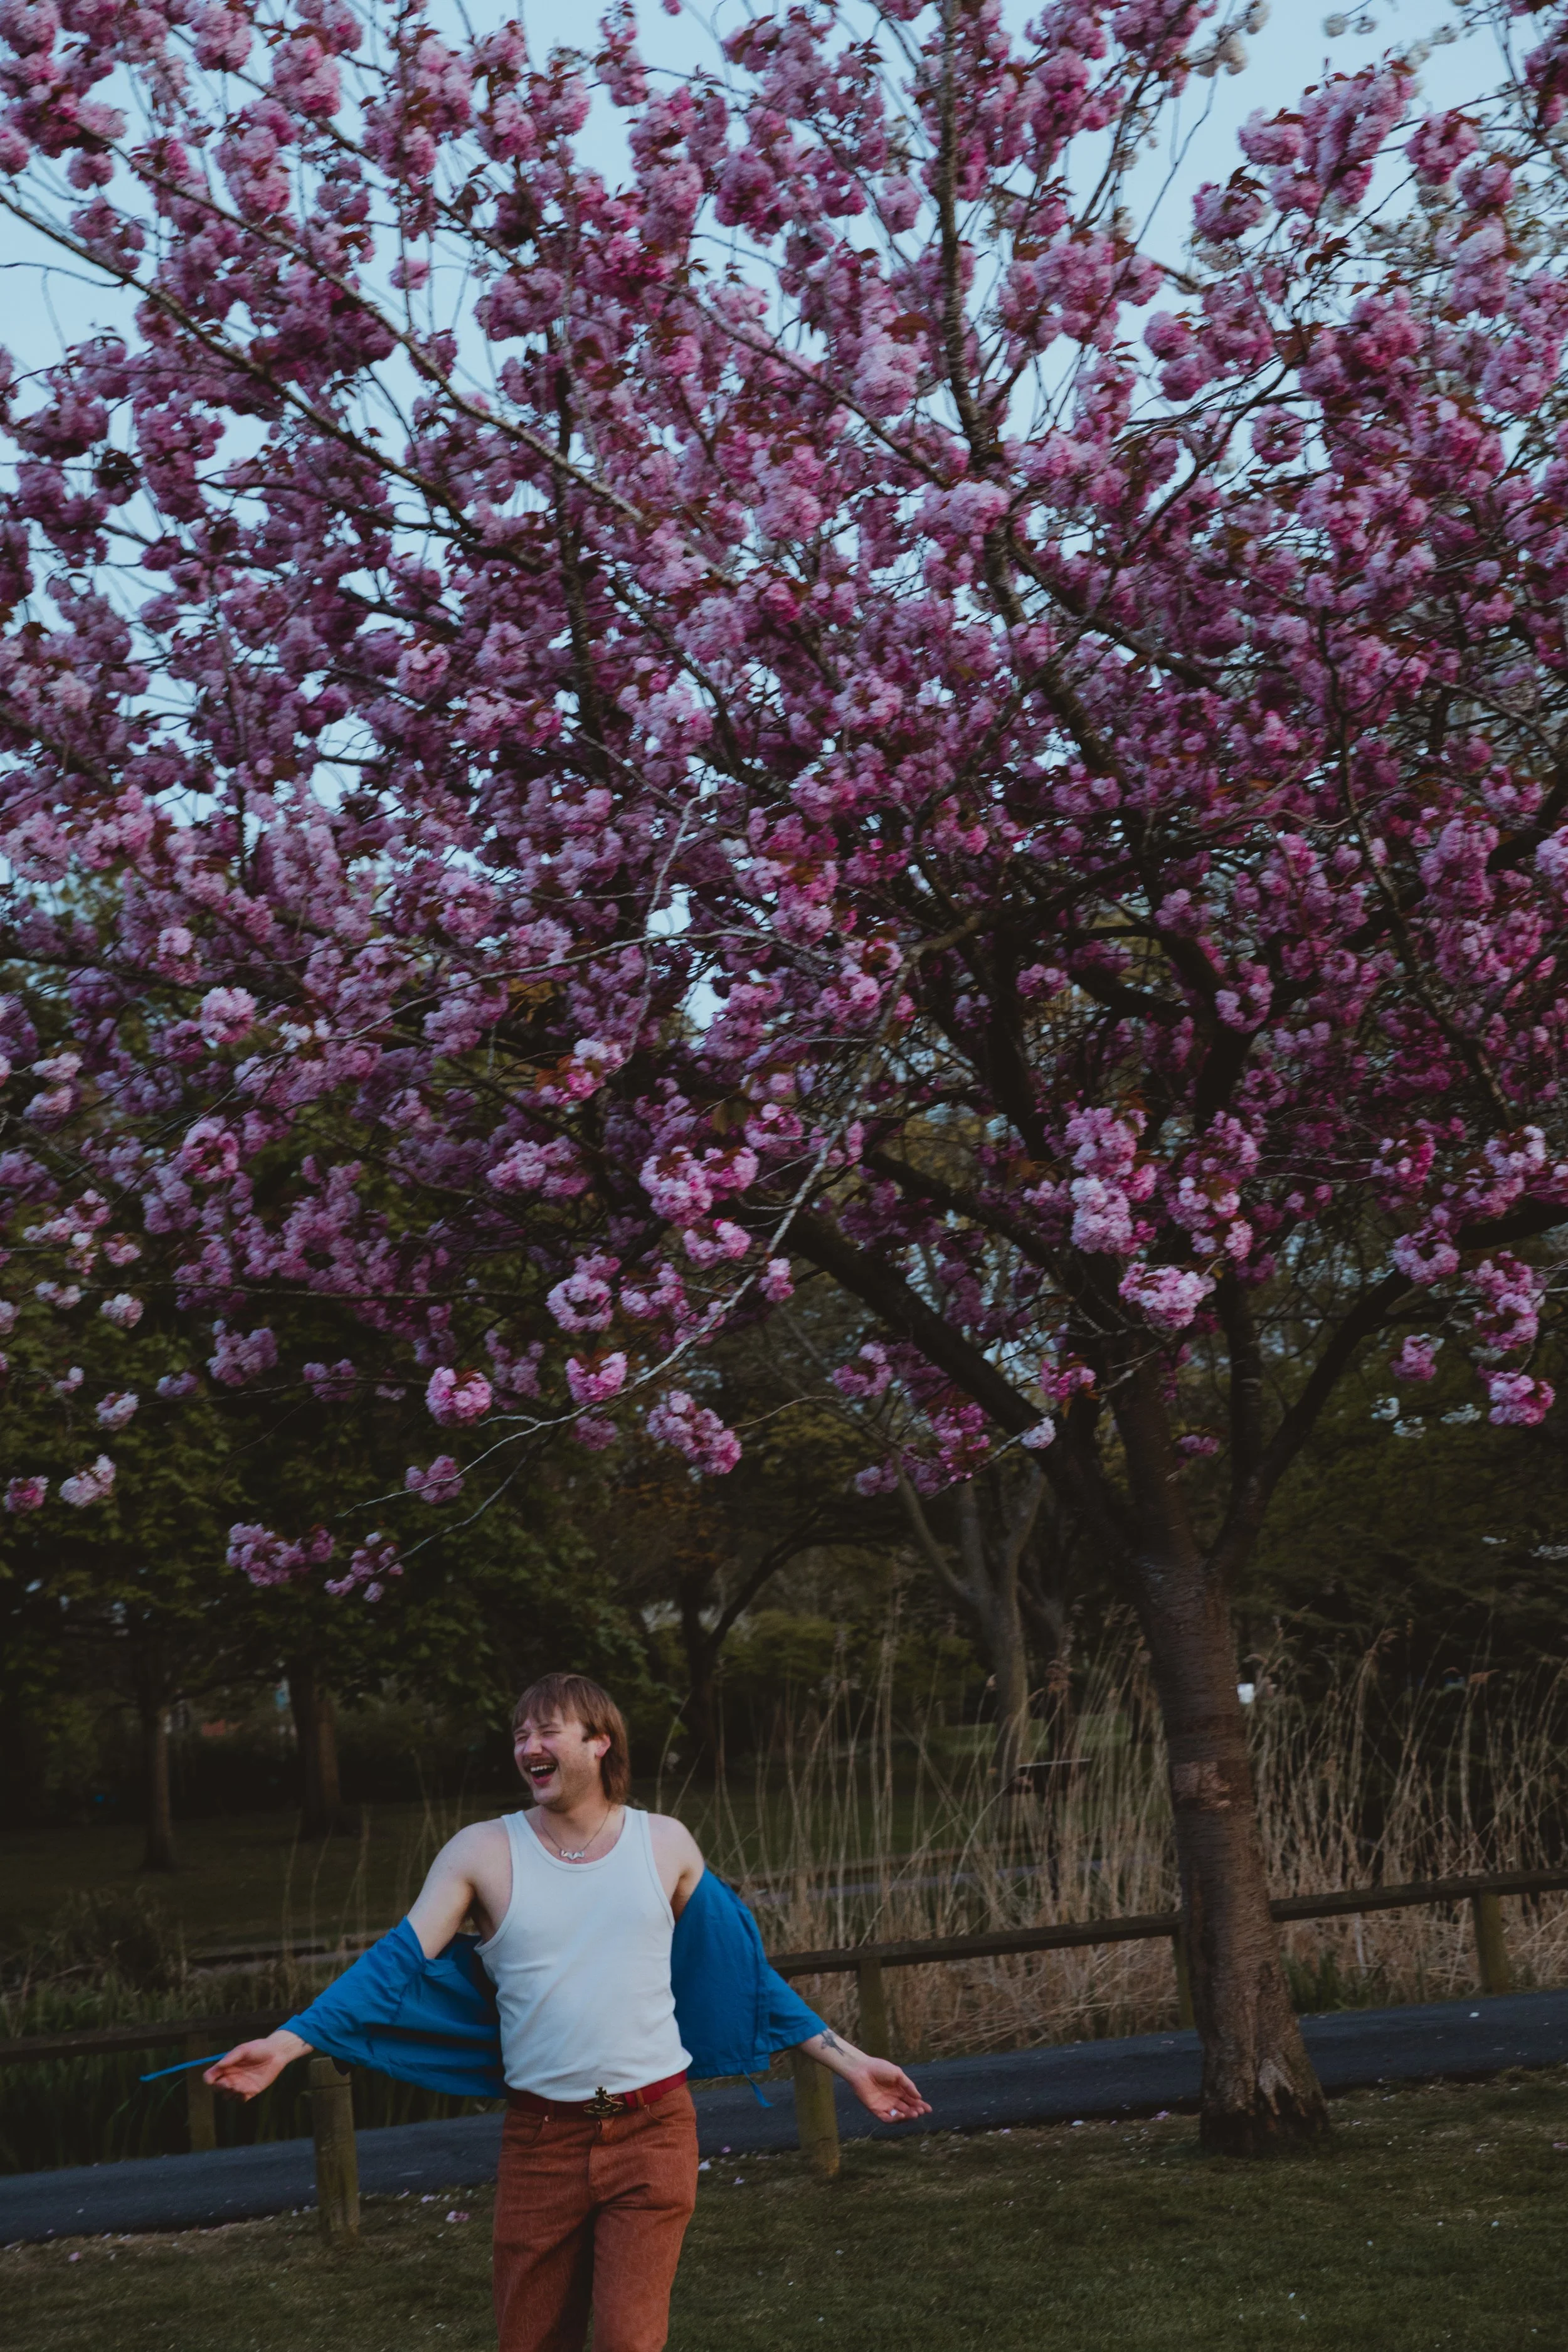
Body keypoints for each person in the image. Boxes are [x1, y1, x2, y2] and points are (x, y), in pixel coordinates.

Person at [208, 1671, 929, 2351]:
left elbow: (739, 1976)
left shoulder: (665, 1843)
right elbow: (395, 1961)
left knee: (627, 2340)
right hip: (541, 2141)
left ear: (599, 1741)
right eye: (519, 1734)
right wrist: (288, 2041)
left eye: (546, 1730)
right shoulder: (481, 1852)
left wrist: (852, 2062)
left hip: (653, 2131)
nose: (527, 1747)